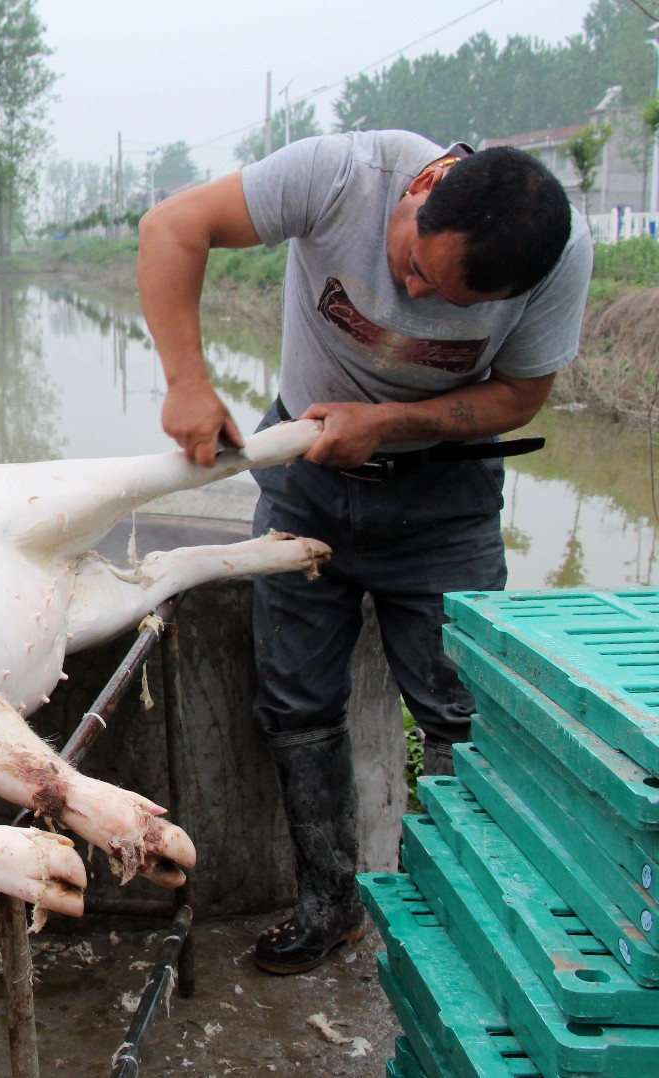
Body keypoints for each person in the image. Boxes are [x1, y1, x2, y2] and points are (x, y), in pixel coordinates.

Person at [136, 130, 591, 976]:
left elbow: (522, 393)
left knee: (467, 709)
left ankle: (475, 916)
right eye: (415, 265)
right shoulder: (345, 175)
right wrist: (187, 380)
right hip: (305, 483)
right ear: (421, 186)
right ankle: (329, 904)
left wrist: (389, 423)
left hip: (443, 502)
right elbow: (172, 226)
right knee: (297, 701)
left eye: (447, 300)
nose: (414, 295)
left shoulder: (559, 258)